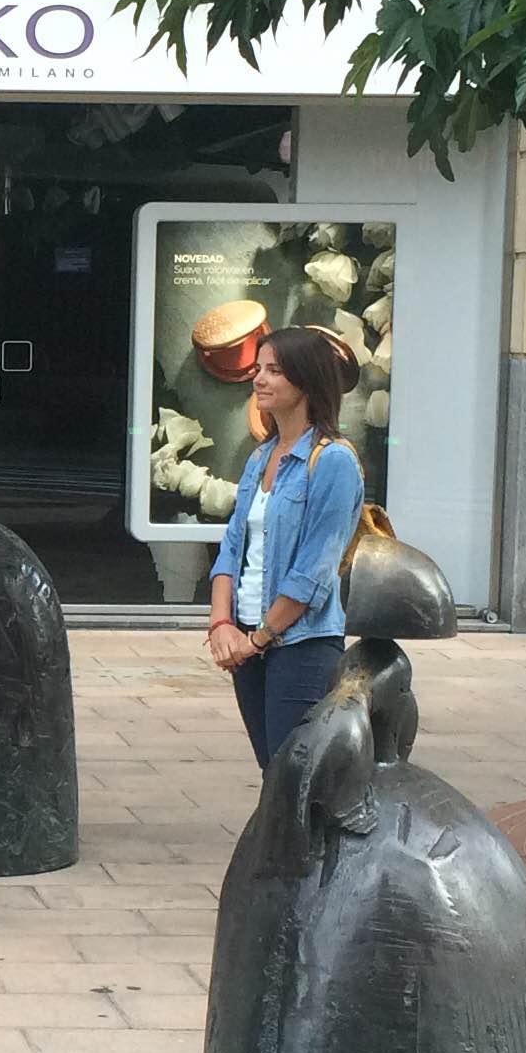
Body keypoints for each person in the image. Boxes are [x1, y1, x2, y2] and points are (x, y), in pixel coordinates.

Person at [205, 324, 365, 770]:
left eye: (273, 370)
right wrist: (221, 626)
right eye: (259, 368)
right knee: (273, 773)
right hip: (247, 641)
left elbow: (314, 571)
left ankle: (302, 845)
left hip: (301, 644)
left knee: (296, 776)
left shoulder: (333, 460)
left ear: (306, 380)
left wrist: (260, 637)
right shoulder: (261, 457)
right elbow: (232, 548)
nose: (259, 379)